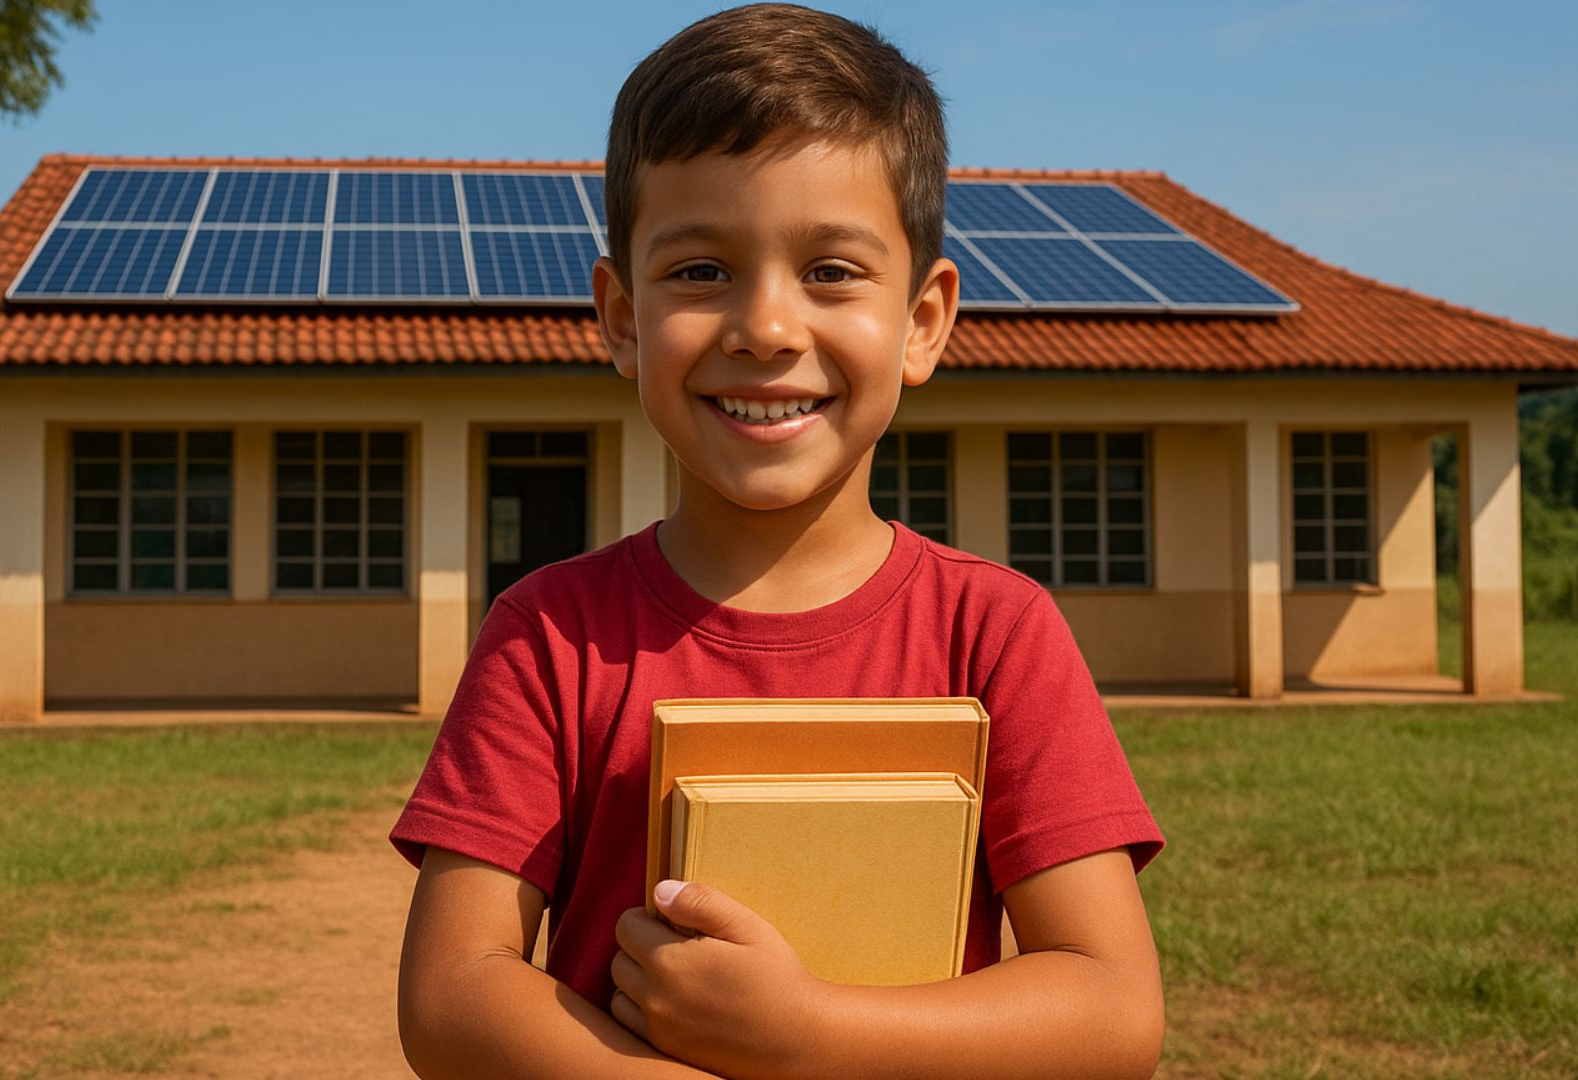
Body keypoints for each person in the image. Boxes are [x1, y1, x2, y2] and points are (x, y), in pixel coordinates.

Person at [391, 5, 1166, 1077]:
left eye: (832, 271)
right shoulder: (551, 637)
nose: (765, 328)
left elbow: (1113, 1011)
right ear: (620, 316)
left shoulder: (995, 633)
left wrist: (807, 1037)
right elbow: (451, 995)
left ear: (923, 322)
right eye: (700, 271)